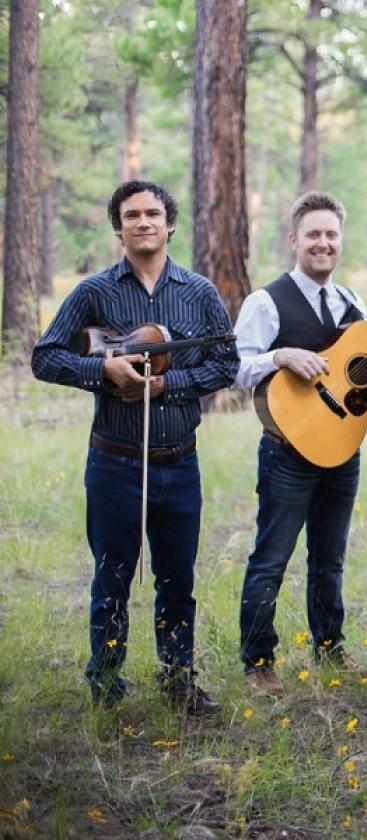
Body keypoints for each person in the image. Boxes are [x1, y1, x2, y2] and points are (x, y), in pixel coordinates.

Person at [32, 180, 238, 712]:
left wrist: (169, 384)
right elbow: (45, 357)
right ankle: (105, 684)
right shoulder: (93, 292)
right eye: (131, 215)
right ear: (118, 227)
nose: (143, 222)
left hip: (179, 462)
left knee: (177, 578)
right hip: (115, 461)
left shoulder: (199, 292)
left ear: (169, 224)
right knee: (112, 574)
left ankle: (178, 679)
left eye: (152, 213)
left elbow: (225, 363)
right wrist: (103, 369)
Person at [232, 191, 367, 693]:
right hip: (287, 454)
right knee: (271, 555)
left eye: (332, 234)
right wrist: (280, 356)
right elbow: (234, 369)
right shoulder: (266, 302)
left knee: (329, 557)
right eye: (313, 234)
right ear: (294, 239)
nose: (323, 243)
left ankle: (330, 645)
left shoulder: (352, 301)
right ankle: (257, 661)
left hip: (342, 453)